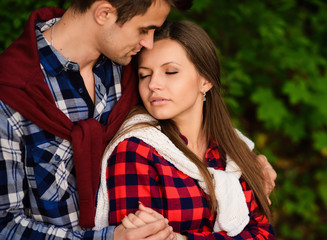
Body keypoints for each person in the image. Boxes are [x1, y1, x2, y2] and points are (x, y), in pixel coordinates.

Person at [0, 0, 193, 239]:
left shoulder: (135, 70)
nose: (148, 43)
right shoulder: (10, 94)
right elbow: (5, 224)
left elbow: (189, 119)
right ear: (104, 13)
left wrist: (243, 162)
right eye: (143, 30)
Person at [95, 21, 275, 239]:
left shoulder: (233, 149)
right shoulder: (136, 150)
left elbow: (263, 233)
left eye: (170, 72)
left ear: (205, 80)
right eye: (144, 75)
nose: (153, 84)